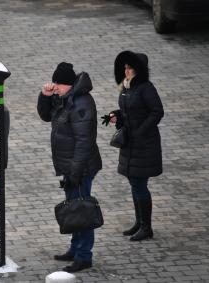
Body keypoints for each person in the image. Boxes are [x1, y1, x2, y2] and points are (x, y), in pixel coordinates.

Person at [37, 62, 102, 272]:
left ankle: (84, 256)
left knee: (82, 211)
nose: (55, 87)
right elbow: (46, 115)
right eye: (54, 82)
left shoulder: (82, 104)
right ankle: (75, 249)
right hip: (69, 166)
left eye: (58, 84)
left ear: (69, 84)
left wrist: (75, 173)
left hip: (81, 168)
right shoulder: (66, 98)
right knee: (74, 207)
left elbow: (85, 142)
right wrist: (44, 96)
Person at [102, 51, 164, 241]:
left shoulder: (146, 88)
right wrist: (116, 115)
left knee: (139, 184)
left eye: (130, 68)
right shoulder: (127, 88)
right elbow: (127, 111)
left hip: (144, 144)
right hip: (130, 143)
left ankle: (147, 227)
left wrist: (140, 131)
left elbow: (157, 112)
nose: (126, 71)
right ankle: (140, 223)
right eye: (125, 68)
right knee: (134, 183)